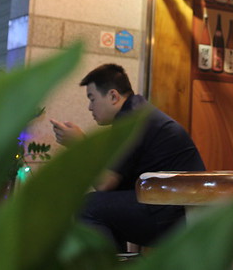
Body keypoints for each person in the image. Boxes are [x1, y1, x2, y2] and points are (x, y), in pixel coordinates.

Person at [50, 63, 205, 250]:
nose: (90, 107)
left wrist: (80, 145)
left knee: (88, 207)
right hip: (174, 208)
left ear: (113, 96)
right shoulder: (135, 113)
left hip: (176, 213)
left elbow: (104, 183)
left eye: (92, 98)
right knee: (102, 205)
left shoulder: (132, 120)